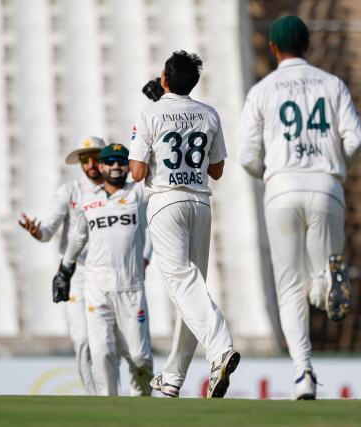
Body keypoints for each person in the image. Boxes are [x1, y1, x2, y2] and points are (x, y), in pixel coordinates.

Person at [238, 15, 361, 400]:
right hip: (327, 186)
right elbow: (357, 139)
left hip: (282, 188)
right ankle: (326, 286)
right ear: (308, 45)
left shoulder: (262, 90)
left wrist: (271, 174)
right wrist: (339, 169)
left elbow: (246, 157)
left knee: (289, 286)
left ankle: (303, 373)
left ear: (274, 48)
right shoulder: (333, 84)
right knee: (320, 272)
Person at [128, 50, 239, 398]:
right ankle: (173, 376)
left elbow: (137, 172)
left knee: (183, 284)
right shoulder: (209, 113)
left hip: (166, 201)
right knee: (191, 290)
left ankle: (220, 348)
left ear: (164, 78)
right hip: (201, 203)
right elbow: (217, 169)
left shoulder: (150, 112)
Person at [57, 143, 153, 396]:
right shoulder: (88, 201)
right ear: (101, 166)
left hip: (131, 288)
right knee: (101, 354)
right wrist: (64, 270)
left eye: (121, 161)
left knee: (140, 358)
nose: (115, 166)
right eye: (109, 161)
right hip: (96, 289)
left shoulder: (139, 194)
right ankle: (108, 410)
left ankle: (142, 405)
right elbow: (77, 238)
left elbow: (152, 226)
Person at [18, 136, 106, 395]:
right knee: (81, 340)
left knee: (108, 344)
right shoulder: (71, 191)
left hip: (107, 274)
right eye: (84, 159)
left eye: (95, 157)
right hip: (76, 273)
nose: (90, 164)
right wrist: (36, 230)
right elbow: (46, 230)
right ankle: (96, 400)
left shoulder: (119, 192)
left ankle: (113, 393)